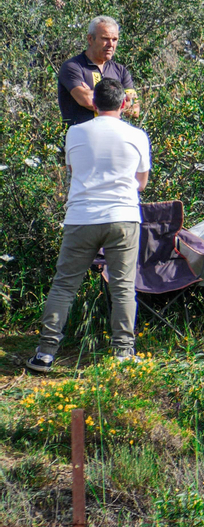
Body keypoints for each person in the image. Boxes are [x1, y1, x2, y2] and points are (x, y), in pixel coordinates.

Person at [26, 78, 150, 373]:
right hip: (123, 215)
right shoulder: (137, 135)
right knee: (122, 288)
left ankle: (46, 352)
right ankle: (122, 353)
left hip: (82, 217)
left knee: (64, 285)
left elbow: (72, 170)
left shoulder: (74, 133)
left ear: (93, 104)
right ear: (123, 103)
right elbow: (141, 183)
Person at [58, 16, 136, 127]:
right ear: (90, 39)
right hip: (81, 138)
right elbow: (86, 100)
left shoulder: (121, 71)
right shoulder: (73, 66)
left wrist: (93, 94)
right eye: (105, 38)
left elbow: (135, 109)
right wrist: (121, 99)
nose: (111, 44)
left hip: (112, 138)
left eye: (114, 39)